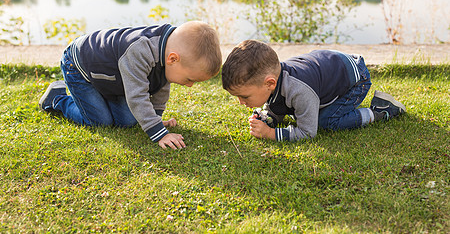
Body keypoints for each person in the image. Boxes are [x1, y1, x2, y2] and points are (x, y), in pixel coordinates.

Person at [39, 21, 222, 150]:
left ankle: (101, 98)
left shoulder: (167, 54)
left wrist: (156, 121)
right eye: (190, 79)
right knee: (100, 121)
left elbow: (160, 86)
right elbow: (137, 96)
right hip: (80, 67)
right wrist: (159, 133)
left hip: (115, 78)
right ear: (172, 59)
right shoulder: (140, 51)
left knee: (127, 121)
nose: (190, 85)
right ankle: (58, 98)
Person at [221, 40, 406, 142]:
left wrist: (270, 134)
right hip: (331, 67)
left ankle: (381, 110)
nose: (241, 102)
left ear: (270, 83)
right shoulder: (274, 83)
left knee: (326, 121)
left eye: (244, 96)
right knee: (303, 111)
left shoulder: (299, 90)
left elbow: (308, 133)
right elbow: (277, 106)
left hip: (356, 79)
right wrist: (267, 118)